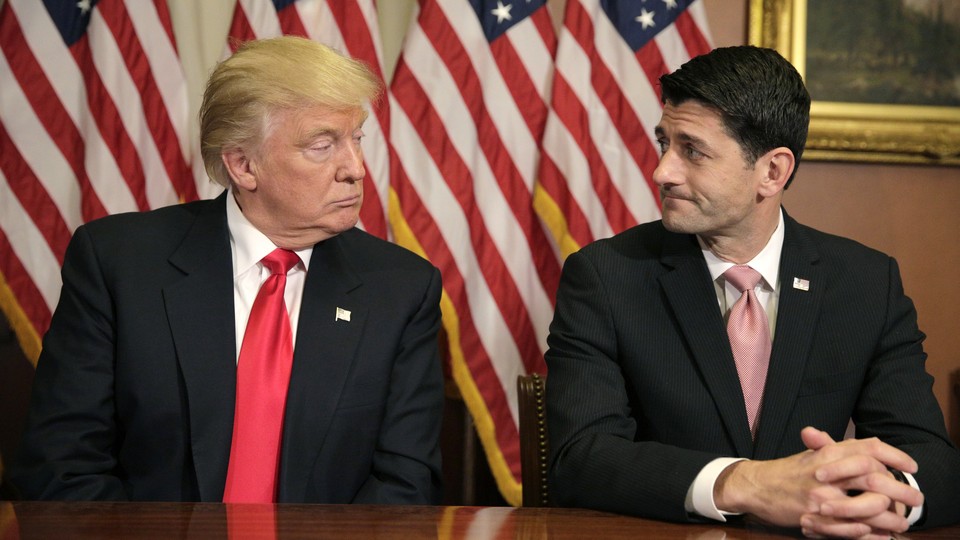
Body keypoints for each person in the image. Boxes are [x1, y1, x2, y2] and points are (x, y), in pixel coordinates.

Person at [545, 45, 960, 538]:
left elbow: (933, 463)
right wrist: (747, 483)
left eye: (692, 150)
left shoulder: (866, 283)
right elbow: (581, 458)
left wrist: (869, 500)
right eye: (665, 143)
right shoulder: (606, 275)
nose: (662, 172)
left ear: (772, 172)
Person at [12, 36, 444, 504]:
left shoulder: (400, 289)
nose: (355, 169)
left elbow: (404, 485)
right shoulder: (118, 264)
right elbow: (63, 467)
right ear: (242, 165)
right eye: (323, 145)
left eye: (356, 139)